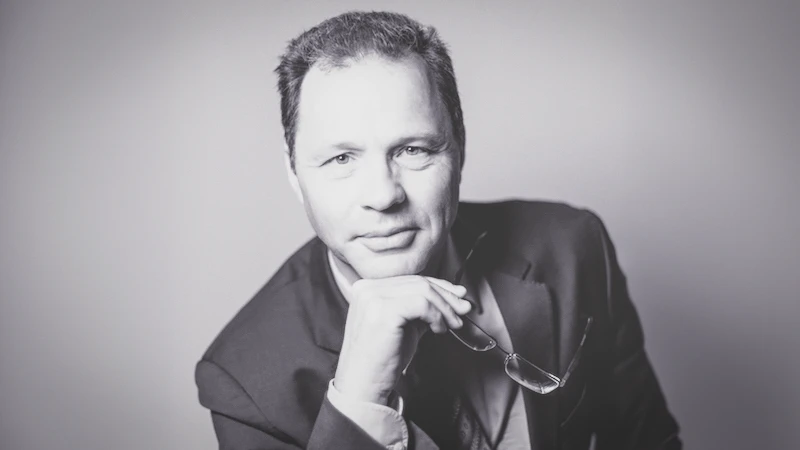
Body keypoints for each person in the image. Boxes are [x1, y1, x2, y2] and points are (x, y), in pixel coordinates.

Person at [195, 10, 681, 450]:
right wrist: (358, 401)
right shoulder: (244, 379)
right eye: (341, 158)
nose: (384, 195)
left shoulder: (574, 245)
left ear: (459, 145)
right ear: (293, 172)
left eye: (413, 150)